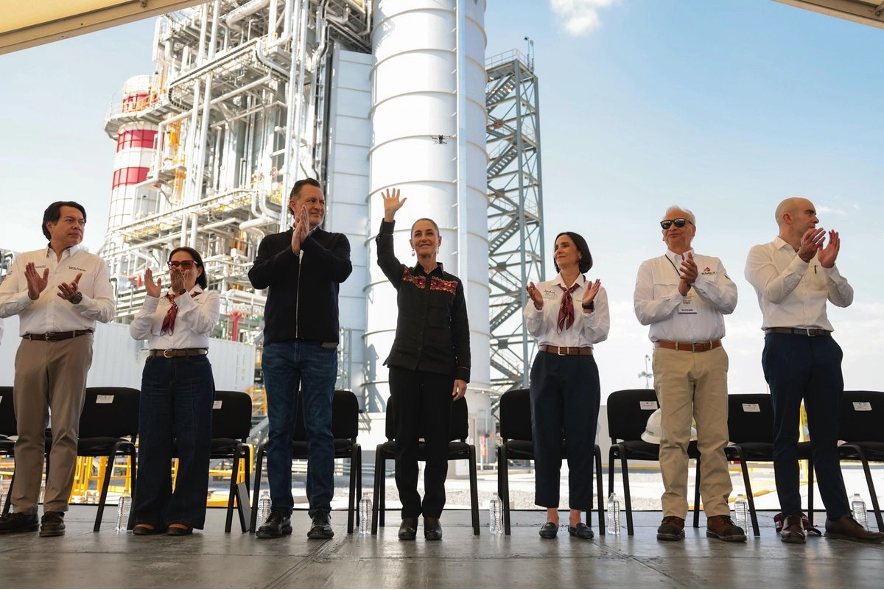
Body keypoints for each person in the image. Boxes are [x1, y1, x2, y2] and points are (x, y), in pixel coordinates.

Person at [745, 197, 883, 544]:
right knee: (785, 434)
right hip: (783, 344)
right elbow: (774, 293)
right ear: (788, 217)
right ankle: (792, 516)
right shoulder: (761, 253)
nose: (816, 219)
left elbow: (845, 300)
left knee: (826, 435)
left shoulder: (820, 257)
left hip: (823, 346)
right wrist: (802, 259)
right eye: (810, 213)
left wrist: (830, 267)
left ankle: (838, 517)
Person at [0, 201, 115, 537]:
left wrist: (79, 300)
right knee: (27, 432)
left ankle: (54, 511)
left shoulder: (94, 264)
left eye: (82, 221)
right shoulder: (25, 260)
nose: (78, 226)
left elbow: (108, 310)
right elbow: (1, 304)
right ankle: (23, 510)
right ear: (50, 225)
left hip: (74, 344)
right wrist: (29, 294)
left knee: (65, 429)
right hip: (32, 345)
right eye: (70, 220)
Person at [248, 178, 352, 539]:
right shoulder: (272, 243)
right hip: (278, 347)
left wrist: (308, 242)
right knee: (279, 431)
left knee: (320, 430)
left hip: (319, 348)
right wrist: (291, 250)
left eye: (321, 201)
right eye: (311, 200)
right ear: (293, 204)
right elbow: (257, 277)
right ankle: (280, 511)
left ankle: (320, 512)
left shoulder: (335, 242)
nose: (318, 206)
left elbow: (341, 271)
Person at [634, 206, 745, 543]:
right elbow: (643, 312)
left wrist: (699, 280)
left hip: (712, 353)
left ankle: (717, 513)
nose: (673, 227)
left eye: (680, 222)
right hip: (671, 354)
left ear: (693, 229)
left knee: (715, 438)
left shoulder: (712, 263)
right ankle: (674, 514)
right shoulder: (651, 267)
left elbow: (730, 302)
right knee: (673, 438)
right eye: (666, 223)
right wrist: (679, 291)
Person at [376, 188, 471, 542]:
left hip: (440, 373)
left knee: (436, 447)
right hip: (403, 368)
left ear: (439, 241)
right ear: (412, 243)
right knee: (404, 444)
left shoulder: (453, 285)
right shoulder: (404, 277)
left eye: (429, 233)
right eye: (418, 234)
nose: (424, 238)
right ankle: (409, 515)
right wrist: (389, 218)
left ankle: (432, 515)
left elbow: (461, 332)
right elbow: (383, 255)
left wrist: (462, 373)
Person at [128, 247, 220, 536]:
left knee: (193, 441)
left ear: (198, 269)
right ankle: (149, 514)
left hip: (192, 366)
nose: (179, 269)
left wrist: (182, 295)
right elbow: (137, 332)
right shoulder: (158, 299)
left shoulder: (208, 297)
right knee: (153, 439)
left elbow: (203, 325)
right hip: (157, 367)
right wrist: (150, 298)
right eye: (174, 264)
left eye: (186, 264)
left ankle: (183, 514)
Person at [524, 230, 609, 539]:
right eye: (556, 246)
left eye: (565, 245)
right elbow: (534, 329)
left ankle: (576, 517)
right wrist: (536, 306)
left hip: (581, 364)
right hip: (547, 362)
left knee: (580, 441)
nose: (558, 250)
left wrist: (586, 308)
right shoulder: (543, 289)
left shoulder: (595, 290)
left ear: (579, 253)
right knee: (545, 439)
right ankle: (551, 516)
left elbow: (600, 333)